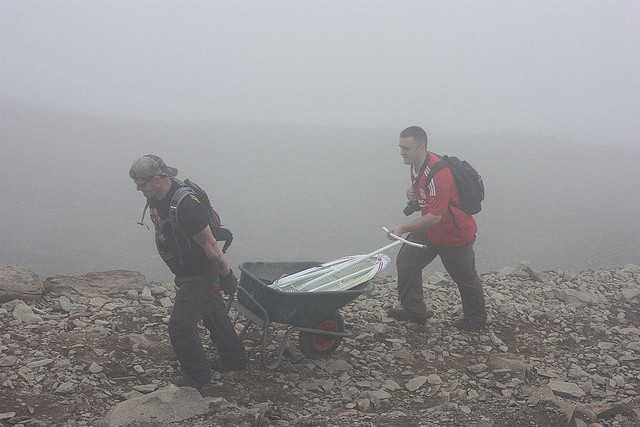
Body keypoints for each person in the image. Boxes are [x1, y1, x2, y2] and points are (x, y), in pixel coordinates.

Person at [129, 154, 247, 389]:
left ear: (156, 179)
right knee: (213, 313)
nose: (137, 189)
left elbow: (210, 244)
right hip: (187, 271)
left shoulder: (186, 206)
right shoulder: (157, 195)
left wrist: (227, 276)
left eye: (141, 184)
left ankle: (197, 376)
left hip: (198, 273)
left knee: (180, 328)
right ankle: (234, 359)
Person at [386, 126, 487, 331]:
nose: (401, 153)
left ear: (421, 148)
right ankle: (414, 311)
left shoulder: (439, 173)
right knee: (407, 261)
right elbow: (427, 198)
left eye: (406, 148)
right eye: (400, 147)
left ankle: (476, 320)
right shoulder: (416, 165)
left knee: (464, 277)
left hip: (454, 234)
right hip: (432, 231)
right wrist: (413, 194)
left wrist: (403, 228)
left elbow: (434, 216)